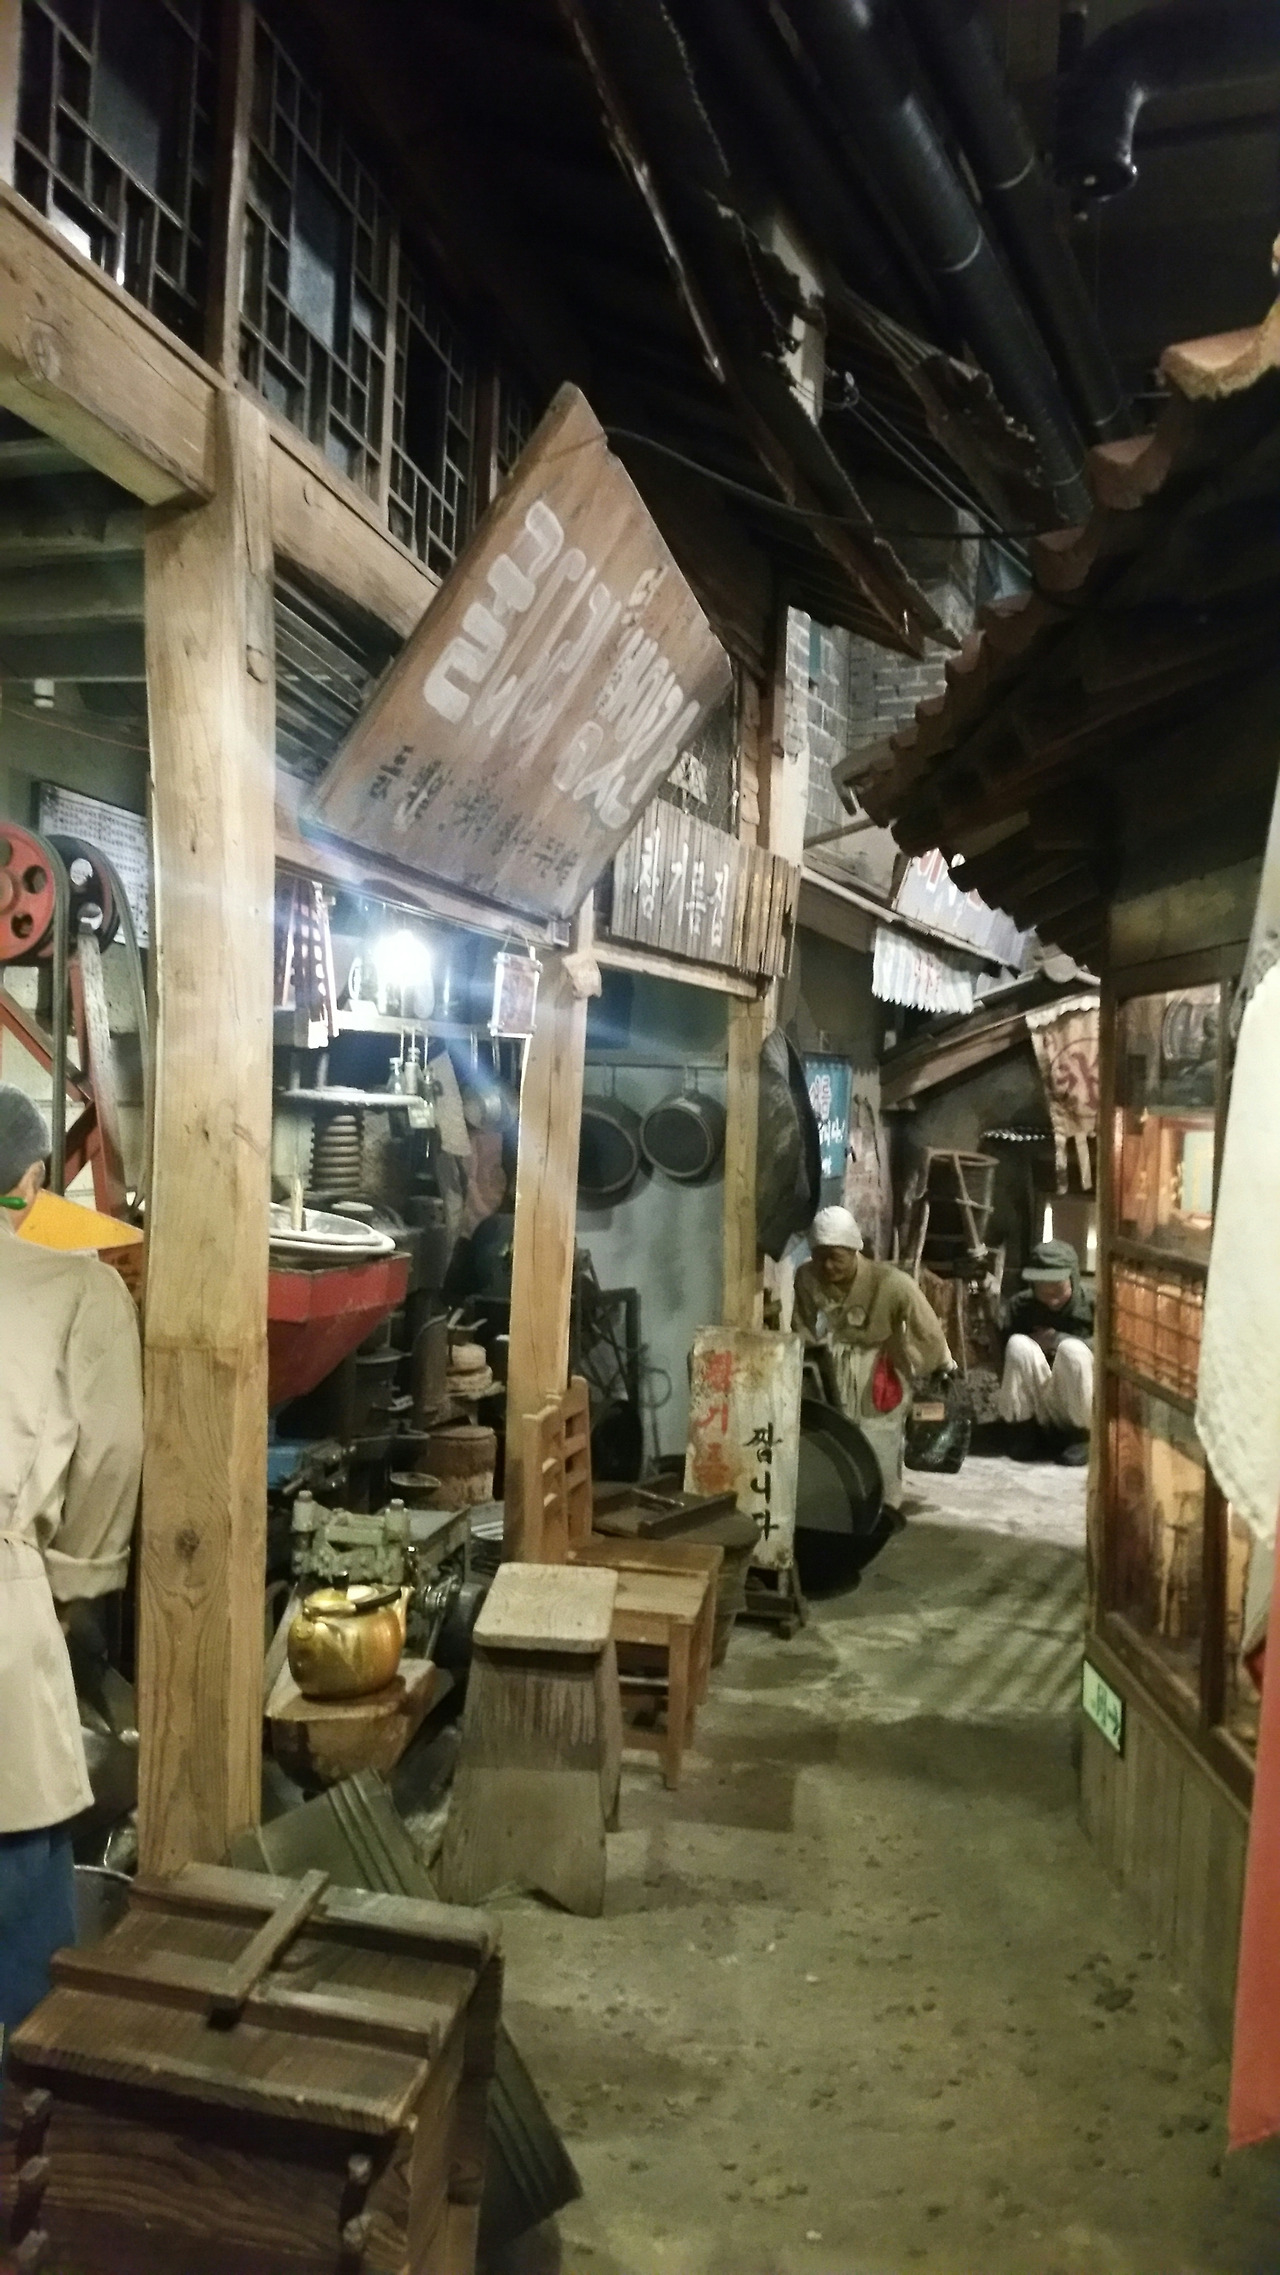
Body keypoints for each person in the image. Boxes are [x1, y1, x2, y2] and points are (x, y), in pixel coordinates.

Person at [0, 1087, 143, 2047]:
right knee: (21, 1975)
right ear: (31, 1179)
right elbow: (114, 1451)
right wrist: (69, 1579)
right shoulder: (78, 1286)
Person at [792, 1204, 953, 1510]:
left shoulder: (891, 1283)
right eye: (820, 1257)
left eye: (836, 1257)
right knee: (834, 1440)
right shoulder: (807, 1276)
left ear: (853, 1251)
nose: (828, 1266)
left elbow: (926, 1327)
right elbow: (801, 1324)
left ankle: (885, 1507)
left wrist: (940, 1365)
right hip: (831, 1364)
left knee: (880, 1438)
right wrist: (806, 1362)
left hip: (879, 1367)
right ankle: (841, 1507)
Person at [997, 1236, 1095, 1465]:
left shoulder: (1094, 1304)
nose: (1053, 1300)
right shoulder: (1020, 1306)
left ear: (1073, 1279)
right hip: (1040, 1394)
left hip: (1078, 1399)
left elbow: (1110, 1349)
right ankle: (1023, 1429)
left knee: (1072, 1350)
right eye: (1044, 1292)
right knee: (1018, 1344)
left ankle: (1080, 1436)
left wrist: (1056, 1340)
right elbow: (1008, 1360)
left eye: (1059, 1290)